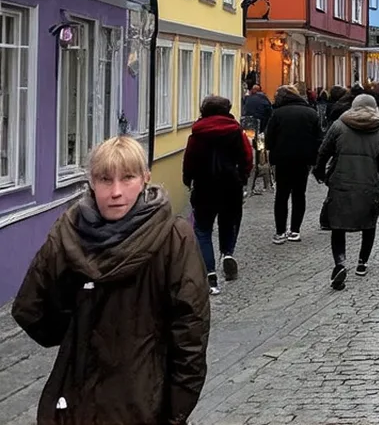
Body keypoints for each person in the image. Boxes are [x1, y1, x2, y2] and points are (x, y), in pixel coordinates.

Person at [12, 136, 210, 424]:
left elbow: (191, 331)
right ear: (91, 182)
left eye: (127, 177)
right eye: (105, 179)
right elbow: (31, 309)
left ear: (145, 179)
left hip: (140, 402)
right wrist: (76, 327)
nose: (116, 191)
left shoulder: (173, 239)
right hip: (83, 401)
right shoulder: (68, 234)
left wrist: (175, 409)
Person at [314, 93, 379, 289]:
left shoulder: (339, 126)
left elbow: (324, 151)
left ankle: (340, 262)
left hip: (341, 182)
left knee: (338, 225)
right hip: (369, 184)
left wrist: (320, 173)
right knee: (369, 223)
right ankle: (362, 262)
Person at [182, 95, 254, 294]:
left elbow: (189, 160)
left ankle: (210, 274)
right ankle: (228, 253)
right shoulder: (236, 132)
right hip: (231, 185)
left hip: (205, 186)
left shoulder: (197, 134)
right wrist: (243, 175)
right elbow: (247, 156)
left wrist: (188, 179)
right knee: (229, 222)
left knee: (203, 230)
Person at [266, 84, 324, 244]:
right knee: (299, 194)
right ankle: (295, 231)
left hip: (283, 159)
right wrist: (314, 157)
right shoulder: (311, 113)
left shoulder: (277, 114)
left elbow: (269, 139)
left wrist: (273, 150)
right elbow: (319, 137)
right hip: (303, 159)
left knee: (281, 195)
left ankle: (280, 232)